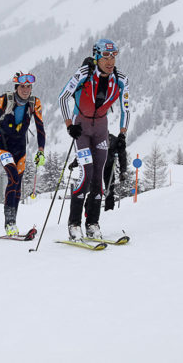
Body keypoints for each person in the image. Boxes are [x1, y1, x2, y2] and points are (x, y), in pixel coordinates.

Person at [59, 39, 129, 241]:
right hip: (81, 127)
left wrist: (122, 133)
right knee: (86, 173)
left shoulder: (121, 79)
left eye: (113, 56)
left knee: (99, 177)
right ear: (97, 56)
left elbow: (126, 108)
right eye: (106, 57)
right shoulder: (83, 74)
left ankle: (92, 223)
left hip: (100, 128)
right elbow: (63, 97)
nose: (110, 61)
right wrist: (69, 125)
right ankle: (74, 224)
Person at [0, 72, 46, 236]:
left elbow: (40, 127)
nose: (26, 90)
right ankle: (9, 223)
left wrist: (41, 151)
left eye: (28, 86)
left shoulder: (34, 103)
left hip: (20, 147)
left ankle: (13, 223)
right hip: (3, 144)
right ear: (16, 87)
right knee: (13, 177)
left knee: (17, 184)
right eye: (22, 87)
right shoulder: (5, 99)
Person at [103, 132, 127, 211]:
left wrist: (123, 171)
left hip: (108, 167)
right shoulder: (96, 138)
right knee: (94, 189)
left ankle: (109, 210)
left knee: (109, 189)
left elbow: (122, 156)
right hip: (97, 166)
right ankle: (90, 213)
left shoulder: (116, 141)